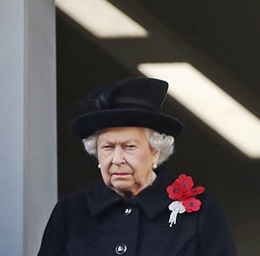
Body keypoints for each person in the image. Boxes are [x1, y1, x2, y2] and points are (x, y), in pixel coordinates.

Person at [37, 77, 238, 256]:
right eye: (107, 147)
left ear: (155, 152)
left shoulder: (200, 212)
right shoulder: (72, 211)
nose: (117, 159)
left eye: (129, 147)